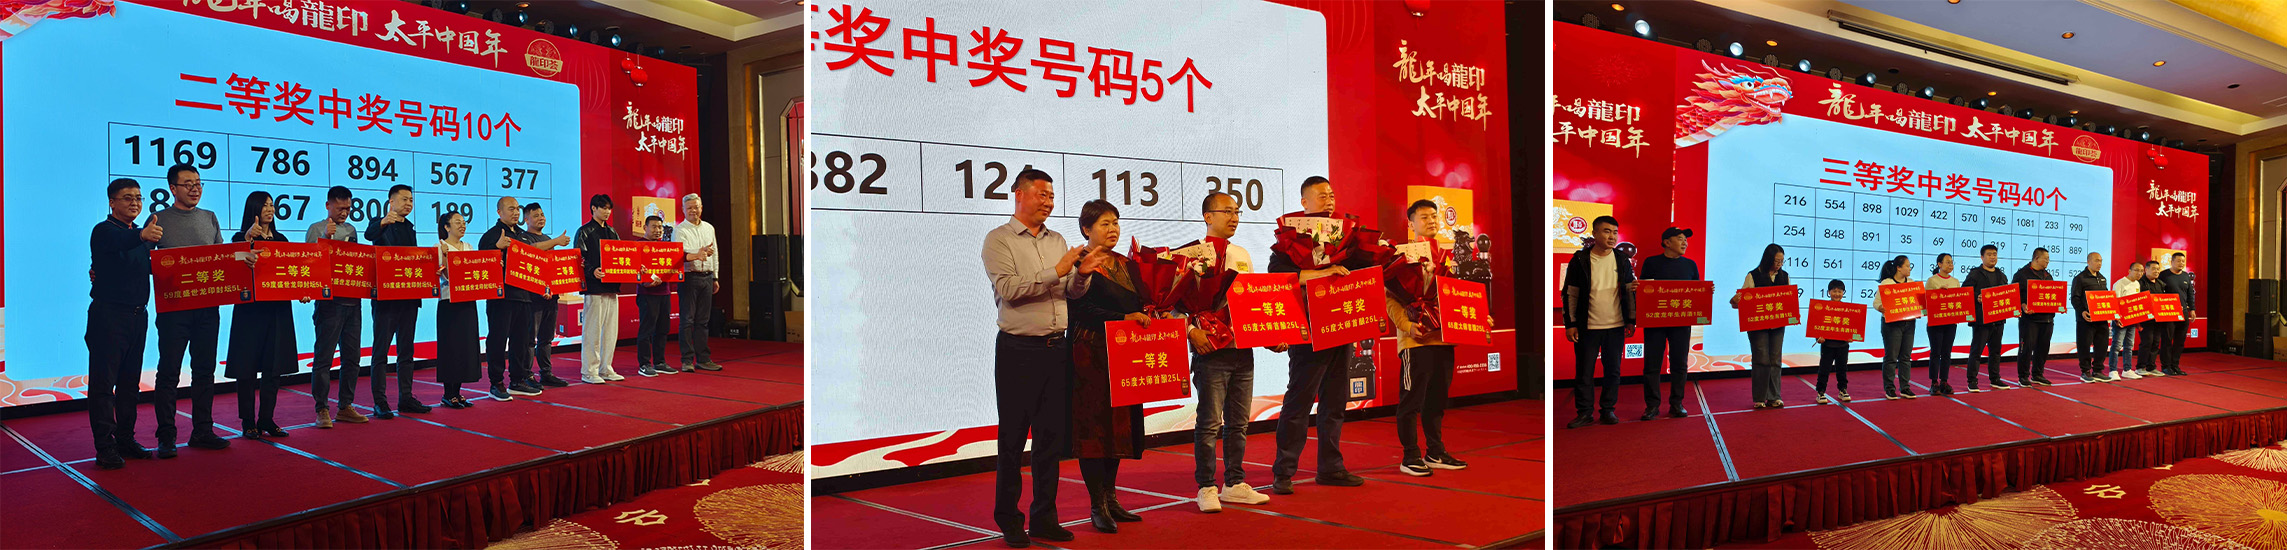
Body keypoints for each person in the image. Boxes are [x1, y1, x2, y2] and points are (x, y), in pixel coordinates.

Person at [980, 169, 1091, 547]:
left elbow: (1070, 293)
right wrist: (1056, 270)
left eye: (1052, 196)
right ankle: (1009, 519)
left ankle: (1044, 517)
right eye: (1042, 194)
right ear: (1019, 195)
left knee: (1050, 440)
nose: (1049, 202)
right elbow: (1009, 289)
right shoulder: (999, 240)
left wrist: (1081, 275)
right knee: (1012, 440)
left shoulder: (1056, 239)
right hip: (1018, 351)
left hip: (1057, 349)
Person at [1268, 177, 1372, 493]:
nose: (1329, 200)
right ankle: (1284, 471)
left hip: (1341, 326)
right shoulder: (1289, 240)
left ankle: (1331, 467)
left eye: (1332, 195)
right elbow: (1278, 277)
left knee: (1335, 401)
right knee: (1299, 401)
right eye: (1321, 195)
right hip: (1308, 331)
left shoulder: (1345, 237)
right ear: (1304, 203)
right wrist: (1321, 273)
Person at [1182, 191, 1280, 506]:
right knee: (1209, 423)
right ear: (1208, 216)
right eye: (1227, 211)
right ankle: (1206, 487)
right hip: (1211, 352)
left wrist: (1270, 335)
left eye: (1237, 211)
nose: (1234, 217)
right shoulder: (1190, 255)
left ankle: (1235, 482)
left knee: (1239, 423)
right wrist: (1191, 331)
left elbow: (1250, 303)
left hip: (1242, 349)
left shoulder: (1242, 254)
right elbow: (1172, 305)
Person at [1066, 199, 1145, 533]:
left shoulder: (1127, 264)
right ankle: (1096, 504)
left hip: (1124, 354)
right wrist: (1121, 318)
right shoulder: (1078, 262)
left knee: (1119, 429)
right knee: (1094, 431)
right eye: (1104, 224)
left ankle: (1111, 498)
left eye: (1115, 222)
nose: (1113, 229)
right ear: (1086, 229)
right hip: (1090, 355)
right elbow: (1079, 310)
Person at [150, 164, 233, 452]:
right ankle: (166, 436)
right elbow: (144, 260)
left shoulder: (209, 217)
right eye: (187, 184)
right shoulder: (159, 219)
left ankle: (203, 431)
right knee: (169, 372)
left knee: (205, 371)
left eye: (198, 183)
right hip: (173, 309)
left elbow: (221, 258)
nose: (195, 188)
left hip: (207, 307)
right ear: (172, 188)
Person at [1389, 199, 1474, 474]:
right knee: (1411, 400)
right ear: (1410, 223)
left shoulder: (1447, 256)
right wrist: (1407, 325)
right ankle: (1410, 456)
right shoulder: (1400, 256)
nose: (1431, 221)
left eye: (1434, 216)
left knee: (1437, 400)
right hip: (1415, 340)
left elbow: (1459, 296)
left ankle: (1435, 452)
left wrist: (1477, 317)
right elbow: (1390, 300)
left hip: (1443, 338)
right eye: (1424, 217)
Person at [89, 178, 163, 468]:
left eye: (139, 198)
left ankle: (125, 439)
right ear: (112, 202)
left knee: (130, 384)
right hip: (109, 317)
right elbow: (120, 243)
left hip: (137, 316)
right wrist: (143, 236)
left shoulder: (139, 235)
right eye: (128, 198)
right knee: (103, 384)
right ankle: (105, 446)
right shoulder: (105, 231)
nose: (135, 203)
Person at [227, 192, 297, 439]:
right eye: (265, 205)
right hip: (250, 312)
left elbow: (291, 271)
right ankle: (248, 421)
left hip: (277, 310)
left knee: (273, 367)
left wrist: (304, 289)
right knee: (246, 368)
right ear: (253, 209)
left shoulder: (281, 239)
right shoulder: (239, 238)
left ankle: (267, 418)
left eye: (272, 205)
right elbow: (232, 265)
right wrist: (248, 240)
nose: (270, 209)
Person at [1562, 216, 1634, 428]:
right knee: (1584, 372)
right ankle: (1584, 413)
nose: (1611, 236)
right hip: (1588, 326)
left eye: (1614, 232)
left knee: (1613, 371)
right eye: (1606, 231)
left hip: (1616, 325)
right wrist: (1570, 324)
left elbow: (1629, 290)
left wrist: (1631, 319)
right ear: (1594, 234)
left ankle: (1608, 410)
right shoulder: (1580, 259)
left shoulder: (1622, 259)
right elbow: (1570, 293)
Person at [366, 184, 431, 416]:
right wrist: (384, 222)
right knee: (380, 352)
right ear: (391, 202)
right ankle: (380, 402)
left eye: (411, 200)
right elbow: (369, 234)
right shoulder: (380, 223)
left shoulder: (410, 228)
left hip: (409, 298)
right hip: (386, 300)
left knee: (406, 352)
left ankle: (406, 397)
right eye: (404, 199)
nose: (409, 203)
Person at [307, 186, 369, 428]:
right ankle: (321, 408)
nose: (345, 212)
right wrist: (326, 237)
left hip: (353, 301)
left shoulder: (352, 230)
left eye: (348, 208)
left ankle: (345, 406)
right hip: (329, 303)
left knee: (352, 358)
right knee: (324, 358)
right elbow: (310, 261)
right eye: (340, 208)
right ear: (328, 206)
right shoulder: (316, 228)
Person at [480, 196, 543, 398]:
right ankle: (496, 383)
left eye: (517, 209)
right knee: (498, 340)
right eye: (510, 209)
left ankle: (517, 380)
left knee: (521, 341)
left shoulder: (524, 236)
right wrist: (496, 248)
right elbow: (481, 264)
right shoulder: (491, 236)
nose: (515, 212)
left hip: (524, 296)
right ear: (499, 212)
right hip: (501, 298)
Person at [1637, 227, 1697, 420]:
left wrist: (1706, 291)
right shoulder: (1651, 262)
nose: (1685, 242)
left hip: (1681, 323)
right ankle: (1652, 406)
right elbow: (1644, 291)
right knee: (1652, 364)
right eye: (1680, 238)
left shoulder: (1690, 265)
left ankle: (1677, 403)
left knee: (1680, 364)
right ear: (1666, 242)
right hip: (1656, 321)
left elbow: (1696, 292)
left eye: (1685, 240)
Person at [577, 194, 628, 384]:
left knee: (610, 331)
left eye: (609, 208)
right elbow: (579, 258)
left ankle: (606, 368)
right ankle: (589, 371)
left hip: (612, 287)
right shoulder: (584, 231)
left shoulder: (612, 232)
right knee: (592, 330)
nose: (607, 212)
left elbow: (622, 254)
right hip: (594, 288)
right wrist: (592, 271)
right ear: (593, 208)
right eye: (603, 208)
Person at [1732, 244, 1791, 408]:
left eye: (1781, 261)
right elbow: (1739, 301)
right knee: (1761, 359)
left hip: (1778, 324)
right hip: (1758, 325)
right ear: (1768, 259)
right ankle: (1759, 398)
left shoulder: (1784, 276)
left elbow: (1787, 300)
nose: (1779, 264)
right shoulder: (1753, 275)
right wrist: (1735, 300)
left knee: (1775, 359)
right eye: (1776, 261)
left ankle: (1774, 396)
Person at [433, 212, 482, 409]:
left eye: (463, 222)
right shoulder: (439, 247)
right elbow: (445, 275)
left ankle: (458, 392)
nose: (462, 225)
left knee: (465, 347)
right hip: (449, 303)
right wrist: (445, 256)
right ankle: (448, 393)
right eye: (457, 222)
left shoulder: (468, 246)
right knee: (450, 348)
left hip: (467, 301)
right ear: (446, 227)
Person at [521, 203, 573, 387]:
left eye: (542, 215)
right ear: (526, 220)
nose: (541, 218)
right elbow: (532, 250)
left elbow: (550, 267)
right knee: (530, 339)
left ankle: (546, 373)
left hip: (550, 296)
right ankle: (526, 375)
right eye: (536, 215)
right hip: (532, 297)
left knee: (547, 338)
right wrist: (556, 241)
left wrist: (551, 288)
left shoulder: (547, 239)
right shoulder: (523, 238)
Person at [675, 193, 722, 372]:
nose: (693, 211)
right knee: (687, 320)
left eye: (696, 207)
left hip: (707, 276)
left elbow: (715, 254)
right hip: (689, 277)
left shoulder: (709, 228)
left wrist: (715, 277)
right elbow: (681, 252)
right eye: (689, 208)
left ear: (701, 208)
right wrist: (699, 251)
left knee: (703, 321)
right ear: (683, 210)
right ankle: (687, 360)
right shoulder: (680, 230)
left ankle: (703, 358)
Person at [1963, 245, 2015, 392]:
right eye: (1989, 254)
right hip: (1981, 320)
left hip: (1998, 320)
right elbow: (1964, 292)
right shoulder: (1975, 274)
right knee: (1976, 351)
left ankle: (1995, 379)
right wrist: (1976, 297)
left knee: (1996, 351)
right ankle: (1972, 381)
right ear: (1982, 257)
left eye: (1994, 254)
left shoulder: (2001, 275)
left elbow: (2006, 294)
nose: (1993, 257)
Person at [635, 215, 677, 377]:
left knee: (662, 329)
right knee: (646, 330)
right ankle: (644, 364)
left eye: (660, 227)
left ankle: (660, 362)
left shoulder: (665, 247)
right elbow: (635, 271)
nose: (657, 230)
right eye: (654, 227)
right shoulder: (638, 246)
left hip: (664, 292)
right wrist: (645, 282)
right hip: (647, 293)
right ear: (645, 228)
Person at [2012, 248, 2058, 387]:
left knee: (2043, 348)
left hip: (2047, 319)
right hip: (2029, 320)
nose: (2048, 261)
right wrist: (2022, 305)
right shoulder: (2022, 274)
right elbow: (2014, 295)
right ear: (2036, 258)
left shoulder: (2048, 275)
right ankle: (2023, 376)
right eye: (2046, 259)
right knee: (2026, 348)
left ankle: (2038, 374)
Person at [1877, 256, 1918, 399]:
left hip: (1909, 323)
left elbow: (1918, 303)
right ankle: (1889, 388)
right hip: (1892, 324)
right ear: (1898, 268)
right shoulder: (1887, 283)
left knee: (1906, 357)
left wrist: (1920, 310)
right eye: (1907, 265)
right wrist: (1881, 307)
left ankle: (1905, 388)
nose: (1909, 268)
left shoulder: (1912, 283)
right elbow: (1876, 303)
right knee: (1891, 357)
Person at [1923, 254, 1963, 395]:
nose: (1950, 265)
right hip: (1936, 322)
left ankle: (1944, 381)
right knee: (1936, 352)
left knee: (1947, 352)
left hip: (1950, 322)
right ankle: (1934, 382)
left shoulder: (1955, 281)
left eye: (1951, 262)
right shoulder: (1932, 280)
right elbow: (1927, 301)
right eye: (1947, 262)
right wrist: (1938, 293)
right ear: (1939, 264)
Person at [2070, 253, 2113, 383]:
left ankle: (2098, 370)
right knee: (2084, 345)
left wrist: (2111, 312)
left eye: (2101, 261)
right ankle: (2085, 371)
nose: (2099, 263)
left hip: (2101, 319)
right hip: (2086, 319)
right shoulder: (2080, 278)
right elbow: (2075, 298)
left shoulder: (2102, 278)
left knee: (2102, 345)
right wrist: (2082, 311)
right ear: (2088, 261)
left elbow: (2106, 297)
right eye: (2096, 261)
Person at [1813, 280, 1853, 403]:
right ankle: (1820, 392)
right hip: (1828, 345)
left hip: (1843, 345)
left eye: (1840, 291)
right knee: (1824, 369)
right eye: (1834, 291)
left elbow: (1852, 326)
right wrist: (1818, 338)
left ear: (1843, 293)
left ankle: (1843, 390)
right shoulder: (1823, 307)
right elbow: (1817, 325)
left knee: (1842, 369)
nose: (1837, 294)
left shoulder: (1848, 309)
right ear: (1829, 292)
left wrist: (1851, 336)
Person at [2159, 253, 2196, 377]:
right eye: (2179, 261)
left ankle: (2175, 365)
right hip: (2169, 312)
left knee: (2180, 341)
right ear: (2172, 261)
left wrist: (2192, 309)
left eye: (2183, 261)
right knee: (2167, 340)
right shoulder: (2163, 275)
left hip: (2183, 312)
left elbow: (2190, 294)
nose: (2181, 263)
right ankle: (2166, 366)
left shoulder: (2185, 276)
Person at [2111, 262, 2149, 379]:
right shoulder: (2120, 283)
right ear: (2129, 271)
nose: (2139, 273)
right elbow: (2115, 302)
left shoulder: (2137, 284)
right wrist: (2116, 318)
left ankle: (2127, 369)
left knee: (2129, 346)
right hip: (2120, 320)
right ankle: (2113, 370)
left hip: (2132, 320)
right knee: (2117, 346)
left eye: (2141, 271)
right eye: (2136, 270)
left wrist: (2138, 321)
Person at [2138, 261, 2166, 377]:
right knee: (2147, 342)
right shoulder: (2140, 283)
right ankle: (2140, 367)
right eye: (2154, 269)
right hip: (2145, 319)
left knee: (2155, 342)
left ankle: (2151, 366)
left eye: (2158, 269)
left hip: (2158, 319)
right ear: (2146, 270)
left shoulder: (2161, 284)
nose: (2157, 271)